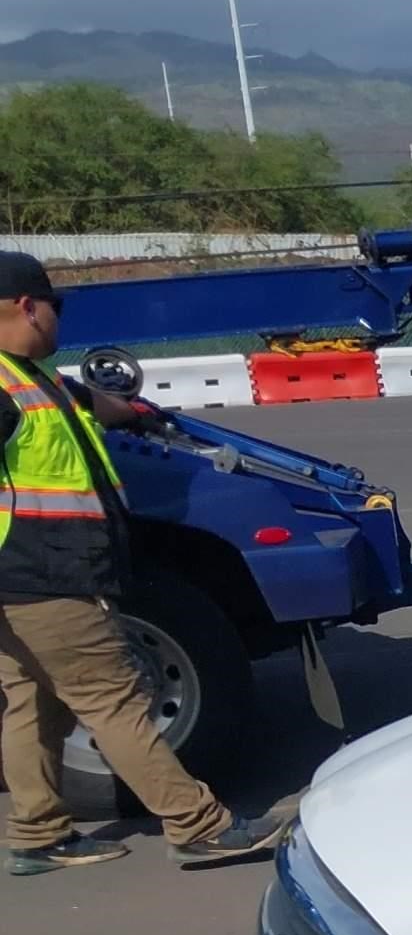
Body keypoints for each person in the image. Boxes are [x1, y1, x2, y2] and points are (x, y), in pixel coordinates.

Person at [0, 251, 283, 877]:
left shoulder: (26, 377)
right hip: (46, 576)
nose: (58, 320)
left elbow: (83, 406)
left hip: (23, 581)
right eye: (56, 307)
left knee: (35, 704)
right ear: (27, 306)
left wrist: (129, 409)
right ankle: (199, 826)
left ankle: (37, 833)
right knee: (115, 701)